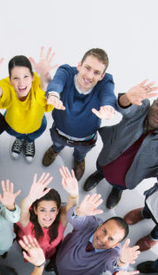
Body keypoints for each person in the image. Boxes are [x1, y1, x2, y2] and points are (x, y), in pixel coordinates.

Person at [83, 85, 158, 208]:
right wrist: (127, 98)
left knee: (120, 184)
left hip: (130, 176)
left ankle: (117, 190)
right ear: (153, 103)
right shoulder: (142, 107)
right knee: (102, 168)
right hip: (108, 158)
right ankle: (99, 175)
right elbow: (125, 108)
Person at [41, 48, 120, 180]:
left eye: (96, 72)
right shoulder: (66, 71)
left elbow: (108, 95)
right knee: (57, 144)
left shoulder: (105, 82)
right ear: (79, 66)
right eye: (87, 68)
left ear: (102, 76)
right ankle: (55, 150)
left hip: (85, 139)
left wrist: (108, 107)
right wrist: (53, 94)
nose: (89, 76)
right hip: (59, 132)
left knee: (81, 153)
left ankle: (78, 159)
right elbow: (57, 82)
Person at [0, 48, 55, 162]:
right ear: (10, 80)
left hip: (37, 125)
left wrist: (45, 74)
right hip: (12, 125)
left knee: (32, 136)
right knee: (18, 135)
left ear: (33, 77)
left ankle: (30, 141)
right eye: (16, 78)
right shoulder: (7, 85)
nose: (21, 83)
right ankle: (20, 139)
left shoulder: (38, 82)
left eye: (26, 77)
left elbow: (46, 88)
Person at [53, 192, 139, 275]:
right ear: (100, 225)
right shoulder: (92, 223)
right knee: (54, 265)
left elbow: (116, 267)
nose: (102, 239)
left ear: (116, 245)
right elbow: (74, 219)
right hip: (57, 258)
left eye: (111, 239)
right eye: (104, 231)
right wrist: (80, 211)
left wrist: (123, 261)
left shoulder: (112, 254)